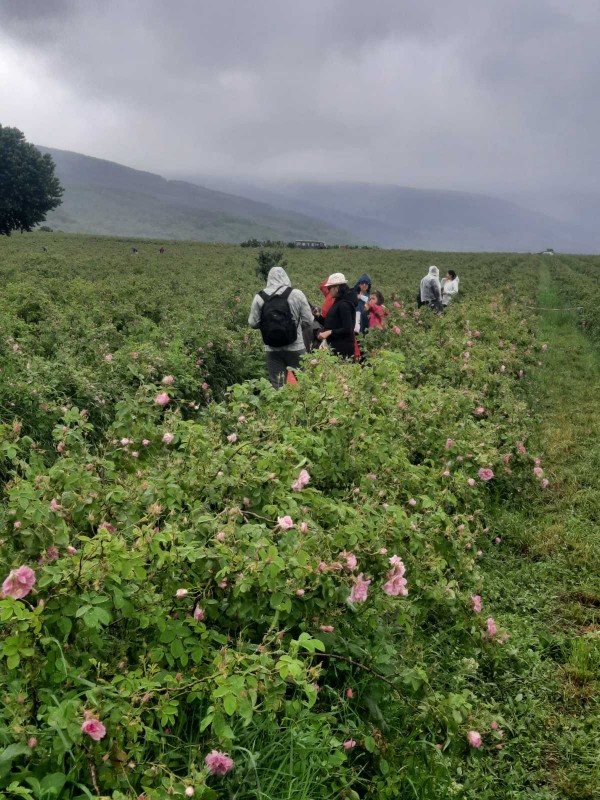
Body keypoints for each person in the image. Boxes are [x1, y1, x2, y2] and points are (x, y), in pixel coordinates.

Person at [249, 266, 313, 389]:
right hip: (296, 346)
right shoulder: (296, 294)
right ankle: (304, 401)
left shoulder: (259, 297)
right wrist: (295, 326)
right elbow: (309, 320)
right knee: (304, 383)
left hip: (272, 349)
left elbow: (253, 323)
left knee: (278, 385)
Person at [317, 273, 357, 358]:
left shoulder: (344, 305)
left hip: (342, 350)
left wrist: (329, 332)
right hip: (335, 347)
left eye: (329, 288)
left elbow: (348, 329)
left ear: (337, 288)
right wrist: (317, 316)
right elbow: (332, 323)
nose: (328, 291)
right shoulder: (338, 301)